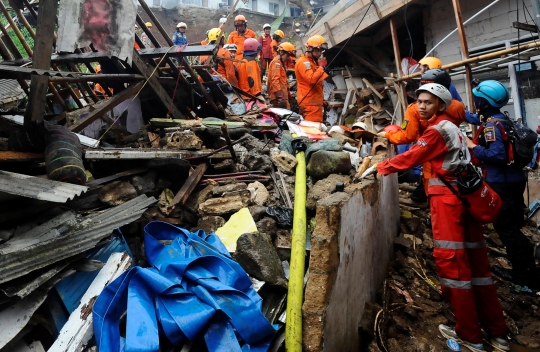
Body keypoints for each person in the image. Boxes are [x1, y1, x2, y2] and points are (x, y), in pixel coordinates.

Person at [377, 83, 509, 352]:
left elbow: (413, 155)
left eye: (428, 102)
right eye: (420, 102)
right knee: (479, 270)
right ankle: (498, 335)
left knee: (454, 269)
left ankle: (470, 337)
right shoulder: (454, 128)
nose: (422, 106)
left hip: (448, 205)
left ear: (441, 104)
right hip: (466, 199)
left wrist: (381, 167)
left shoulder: (436, 130)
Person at [464, 80, 539, 289]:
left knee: (507, 230)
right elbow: (476, 118)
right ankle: (529, 269)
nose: (475, 101)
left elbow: (496, 154)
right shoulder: (500, 118)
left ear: (483, 101)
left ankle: (523, 275)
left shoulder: (491, 126)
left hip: (500, 183)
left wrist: (472, 146)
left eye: (477, 98)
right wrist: (459, 112)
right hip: (514, 180)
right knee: (512, 226)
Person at [378, 69, 466, 202]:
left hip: (431, 158)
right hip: (453, 157)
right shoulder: (458, 107)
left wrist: (388, 135)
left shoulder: (416, 110)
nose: (422, 106)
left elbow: (408, 137)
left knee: (436, 195)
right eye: (421, 101)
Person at [295, 35, 328, 123]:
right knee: (313, 131)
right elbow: (312, 79)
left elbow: (318, 83)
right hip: (310, 104)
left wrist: (322, 100)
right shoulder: (303, 62)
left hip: (313, 102)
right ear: (311, 49)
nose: (320, 53)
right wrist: (321, 67)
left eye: (321, 51)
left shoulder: (312, 62)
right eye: (318, 51)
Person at [268, 42, 295, 109]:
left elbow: (284, 82)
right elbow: (275, 80)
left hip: (282, 97)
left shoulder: (281, 63)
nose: (288, 58)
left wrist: (288, 96)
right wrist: (280, 97)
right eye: (287, 55)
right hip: (278, 98)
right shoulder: (276, 63)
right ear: (282, 53)